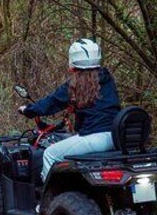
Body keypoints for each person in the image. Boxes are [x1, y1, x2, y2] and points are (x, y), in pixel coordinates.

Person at [19, 39, 121, 180]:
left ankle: (49, 201)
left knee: (50, 154)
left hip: (94, 137)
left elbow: (50, 103)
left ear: (73, 62)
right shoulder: (108, 80)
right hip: (117, 136)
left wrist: (28, 110)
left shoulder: (75, 84)